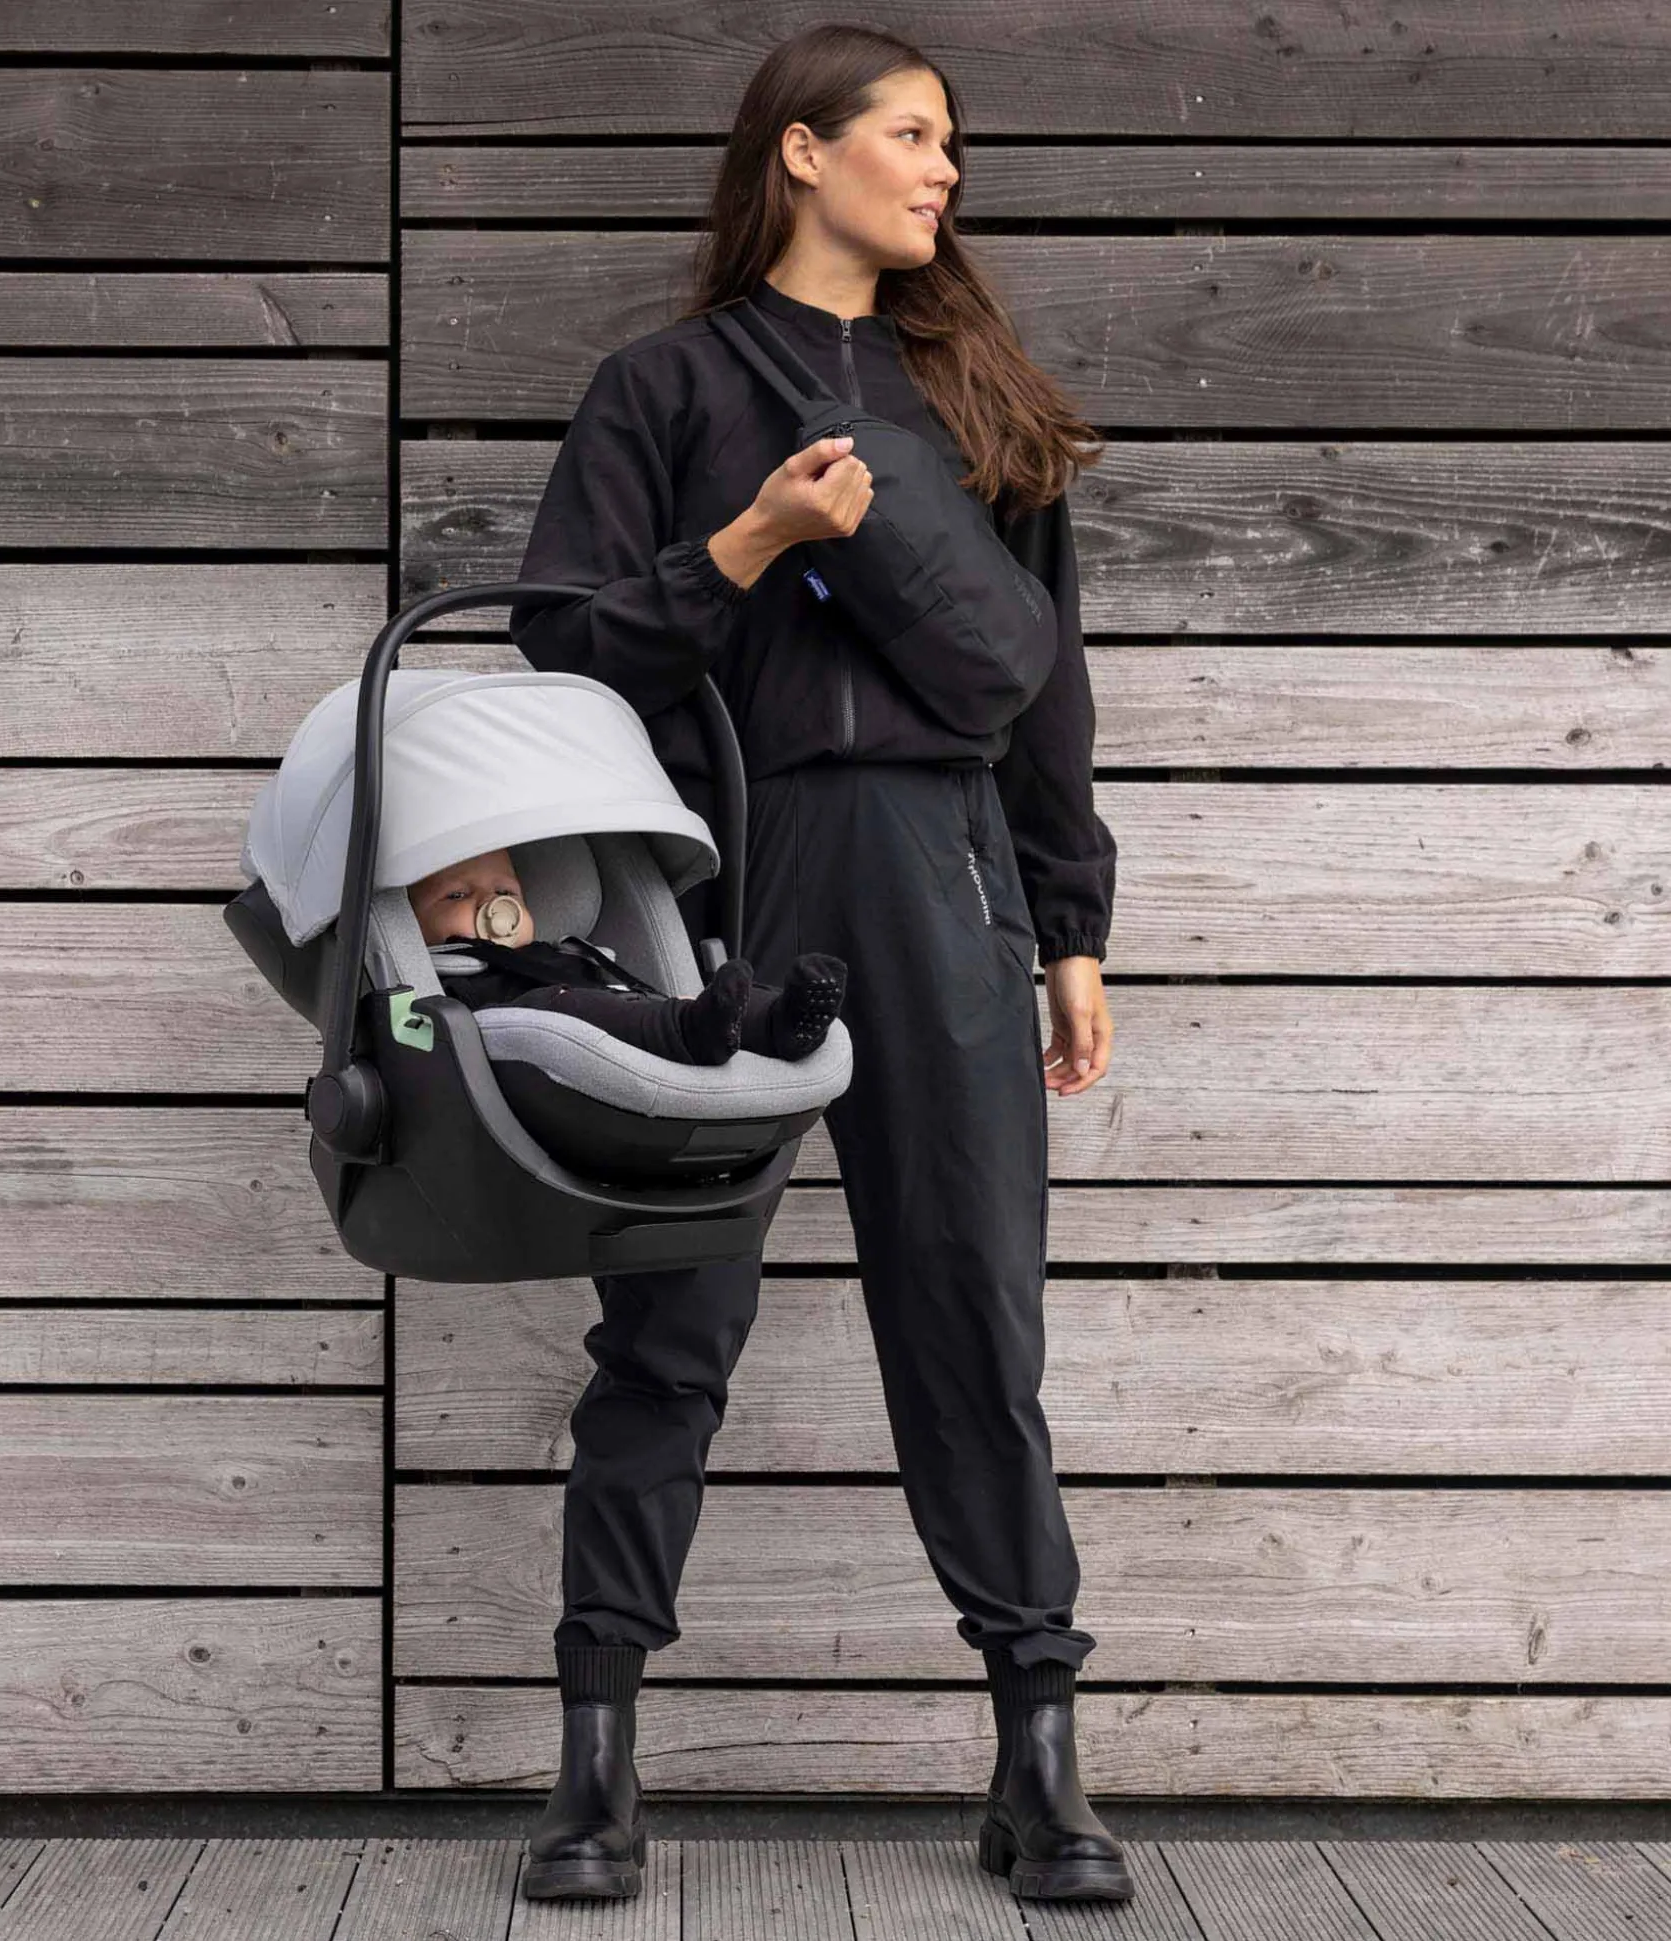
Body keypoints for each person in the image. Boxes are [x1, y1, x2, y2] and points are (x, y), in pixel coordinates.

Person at [504, 22, 1125, 1909]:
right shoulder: (665, 386)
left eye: (951, 145)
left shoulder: (978, 394)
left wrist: (1073, 925)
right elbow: (565, 647)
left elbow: (1048, 690)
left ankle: (1038, 1764)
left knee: (972, 1320)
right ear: (801, 150)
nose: (945, 172)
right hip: (725, 882)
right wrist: (754, 543)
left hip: (943, 876)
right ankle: (597, 1768)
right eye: (912, 136)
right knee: (669, 1329)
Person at [406, 845, 849, 1064]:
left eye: (507, 892)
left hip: (627, 1013)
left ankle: (780, 1023)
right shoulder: (447, 978)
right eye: (457, 895)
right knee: (565, 1005)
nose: (492, 905)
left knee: (687, 1001)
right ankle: (692, 1033)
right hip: (533, 1036)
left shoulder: (565, 952)